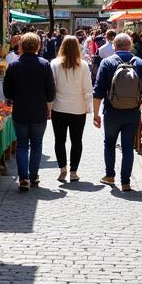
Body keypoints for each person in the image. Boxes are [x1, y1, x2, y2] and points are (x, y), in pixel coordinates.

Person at [93, 32, 142, 192]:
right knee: (128, 147)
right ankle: (125, 182)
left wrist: (95, 114)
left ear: (114, 46)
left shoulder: (107, 63)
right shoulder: (140, 63)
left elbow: (98, 91)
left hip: (112, 112)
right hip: (132, 112)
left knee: (110, 143)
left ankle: (110, 175)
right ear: (131, 46)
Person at [3, 32, 55, 191]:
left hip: (20, 111)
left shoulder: (13, 65)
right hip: (39, 112)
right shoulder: (45, 64)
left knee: (22, 145)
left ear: (21, 46)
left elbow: (7, 92)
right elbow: (51, 92)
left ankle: (23, 178)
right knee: (37, 145)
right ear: (38, 46)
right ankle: (34, 176)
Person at [50, 35, 93, 183]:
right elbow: (88, 89)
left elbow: (52, 88)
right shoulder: (84, 65)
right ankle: (74, 171)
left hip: (59, 107)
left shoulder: (54, 64)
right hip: (78, 108)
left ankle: (63, 169)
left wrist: (49, 106)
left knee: (59, 140)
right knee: (77, 140)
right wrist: (89, 108)